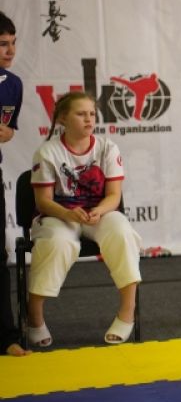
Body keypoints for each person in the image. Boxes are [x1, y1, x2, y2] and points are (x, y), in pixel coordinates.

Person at [27, 92, 142, 347]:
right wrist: (68, 214)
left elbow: (114, 196)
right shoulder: (47, 152)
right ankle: (34, 316)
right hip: (58, 214)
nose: (89, 119)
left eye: (92, 114)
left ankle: (127, 313)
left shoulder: (108, 147)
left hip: (97, 212)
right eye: (81, 114)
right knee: (58, 243)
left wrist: (99, 211)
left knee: (122, 232)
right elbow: (43, 201)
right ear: (63, 119)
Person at [0, 11, 30, 356]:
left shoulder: (13, 84)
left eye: (12, 43)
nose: (10, 51)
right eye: (2, 44)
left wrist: (6, 133)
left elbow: (8, 131)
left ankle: (6, 336)